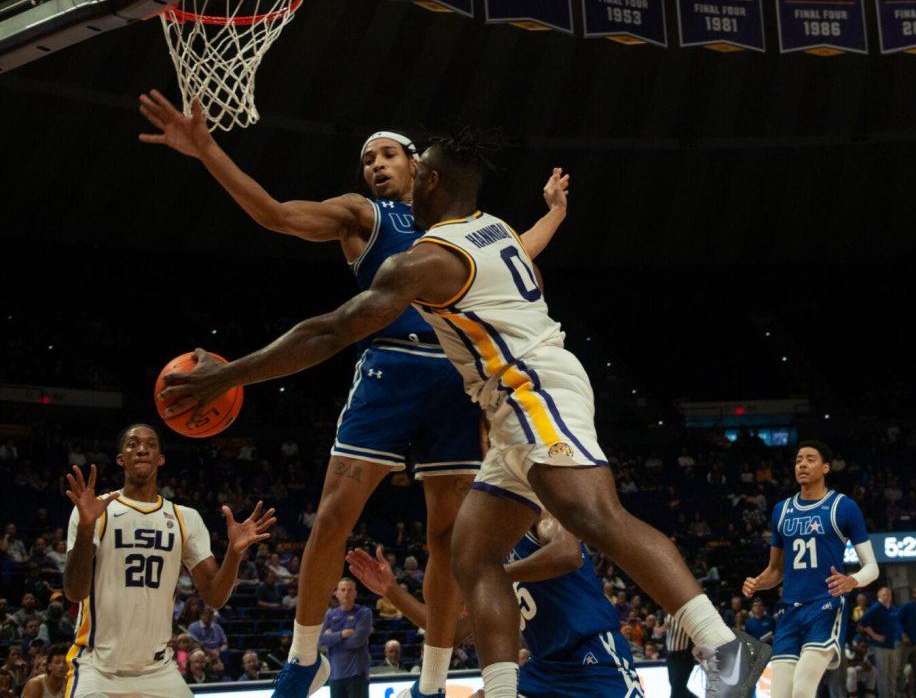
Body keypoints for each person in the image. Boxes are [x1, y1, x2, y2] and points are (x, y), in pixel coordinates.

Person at [158, 129, 768, 698]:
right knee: (472, 557)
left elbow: (333, 330)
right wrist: (554, 213)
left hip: (530, 387)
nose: (389, 172)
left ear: (429, 183)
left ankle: (725, 648)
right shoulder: (490, 226)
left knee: (595, 515)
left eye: (409, 166)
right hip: (506, 406)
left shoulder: (429, 260)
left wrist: (229, 374)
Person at [139, 91, 569, 698]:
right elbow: (275, 214)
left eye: (388, 155)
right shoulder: (363, 214)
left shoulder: (461, 228)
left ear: (422, 168)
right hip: (388, 367)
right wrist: (208, 150)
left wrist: (554, 213)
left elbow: (517, 252)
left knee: (446, 536)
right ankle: (303, 658)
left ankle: (434, 679)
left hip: (454, 378)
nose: (375, 165)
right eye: (369, 160)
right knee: (335, 514)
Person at [61, 424, 275, 698]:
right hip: (98, 668)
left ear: (160, 458)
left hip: (157, 669)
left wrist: (234, 554)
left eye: (151, 444)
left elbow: (215, 596)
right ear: (120, 458)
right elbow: (74, 592)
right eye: (133, 444)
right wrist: (87, 528)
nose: (142, 449)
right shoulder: (94, 510)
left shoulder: (186, 518)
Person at [348, 512, 643, 698]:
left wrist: (494, 577)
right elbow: (449, 632)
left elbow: (568, 554)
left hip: (592, 654)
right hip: (544, 668)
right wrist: (391, 590)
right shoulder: (481, 552)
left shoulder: (539, 513)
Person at [741, 442, 879, 698]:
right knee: (779, 695)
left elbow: (872, 567)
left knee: (802, 690)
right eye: (798, 460)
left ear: (825, 467)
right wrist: (758, 583)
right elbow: (776, 570)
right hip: (789, 610)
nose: (802, 464)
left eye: (810, 459)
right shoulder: (781, 511)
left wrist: (852, 581)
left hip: (824, 606)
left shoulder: (844, 506)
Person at [319, 579, 372, 698]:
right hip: (335, 675)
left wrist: (331, 638)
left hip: (357, 674)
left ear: (355, 593)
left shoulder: (364, 613)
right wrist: (341, 634)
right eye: (342, 590)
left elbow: (356, 641)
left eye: (350, 590)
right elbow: (320, 640)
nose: (346, 593)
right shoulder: (329, 615)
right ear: (336, 593)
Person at [857, 588, 897, 698]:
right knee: (883, 676)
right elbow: (862, 623)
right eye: (884, 594)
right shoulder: (876, 607)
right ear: (879, 596)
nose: (887, 596)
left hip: (892, 645)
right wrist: (875, 635)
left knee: (892, 675)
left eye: (889, 594)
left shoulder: (892, 608)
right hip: (880, 646)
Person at [896, 588, 916, 698]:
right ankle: (898, 693)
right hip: (903, 643)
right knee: (900, 669)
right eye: (915, 592)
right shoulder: (907, 606)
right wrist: (903, 635)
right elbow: (898, 620)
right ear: (913, 594)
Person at [663, 613, 697, 698]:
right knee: (678, 687)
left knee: (677, 688)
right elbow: (656, 630)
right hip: (670, 656)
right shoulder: (666, 614)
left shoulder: (689, 616)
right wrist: (662, 628)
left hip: (684, 656)